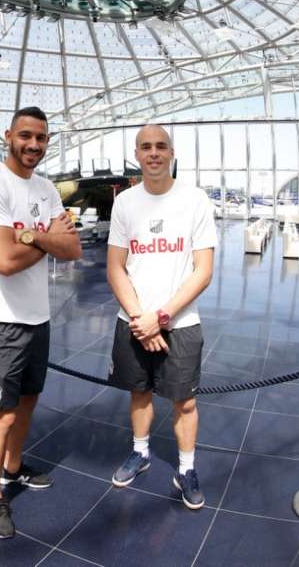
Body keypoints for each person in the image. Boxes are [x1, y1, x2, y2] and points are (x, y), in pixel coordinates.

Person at [0, 106, 82, 539]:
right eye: (26, 136)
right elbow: (5, 260)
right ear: (9, 135)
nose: (33, 145)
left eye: (41, 138)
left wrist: (32, 236)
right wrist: (46, 237)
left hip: (37, 316)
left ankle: (13, 469)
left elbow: (72, 250)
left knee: (29, 401)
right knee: (0, 413)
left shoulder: (47, 188)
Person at [105, 124, 216, 509]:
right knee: (140, 391)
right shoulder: (125, 203)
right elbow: (116, 267)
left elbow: (203, 270)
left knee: (184, 401)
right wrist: (141, 318)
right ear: (137, 154)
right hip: (133, 319)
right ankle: (141, 452)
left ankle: (186, 468)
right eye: (145, 147)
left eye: (160, 146)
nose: (153, 153)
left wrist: (162, 316)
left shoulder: (195, 200)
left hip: (181, 323)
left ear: (171, 153)